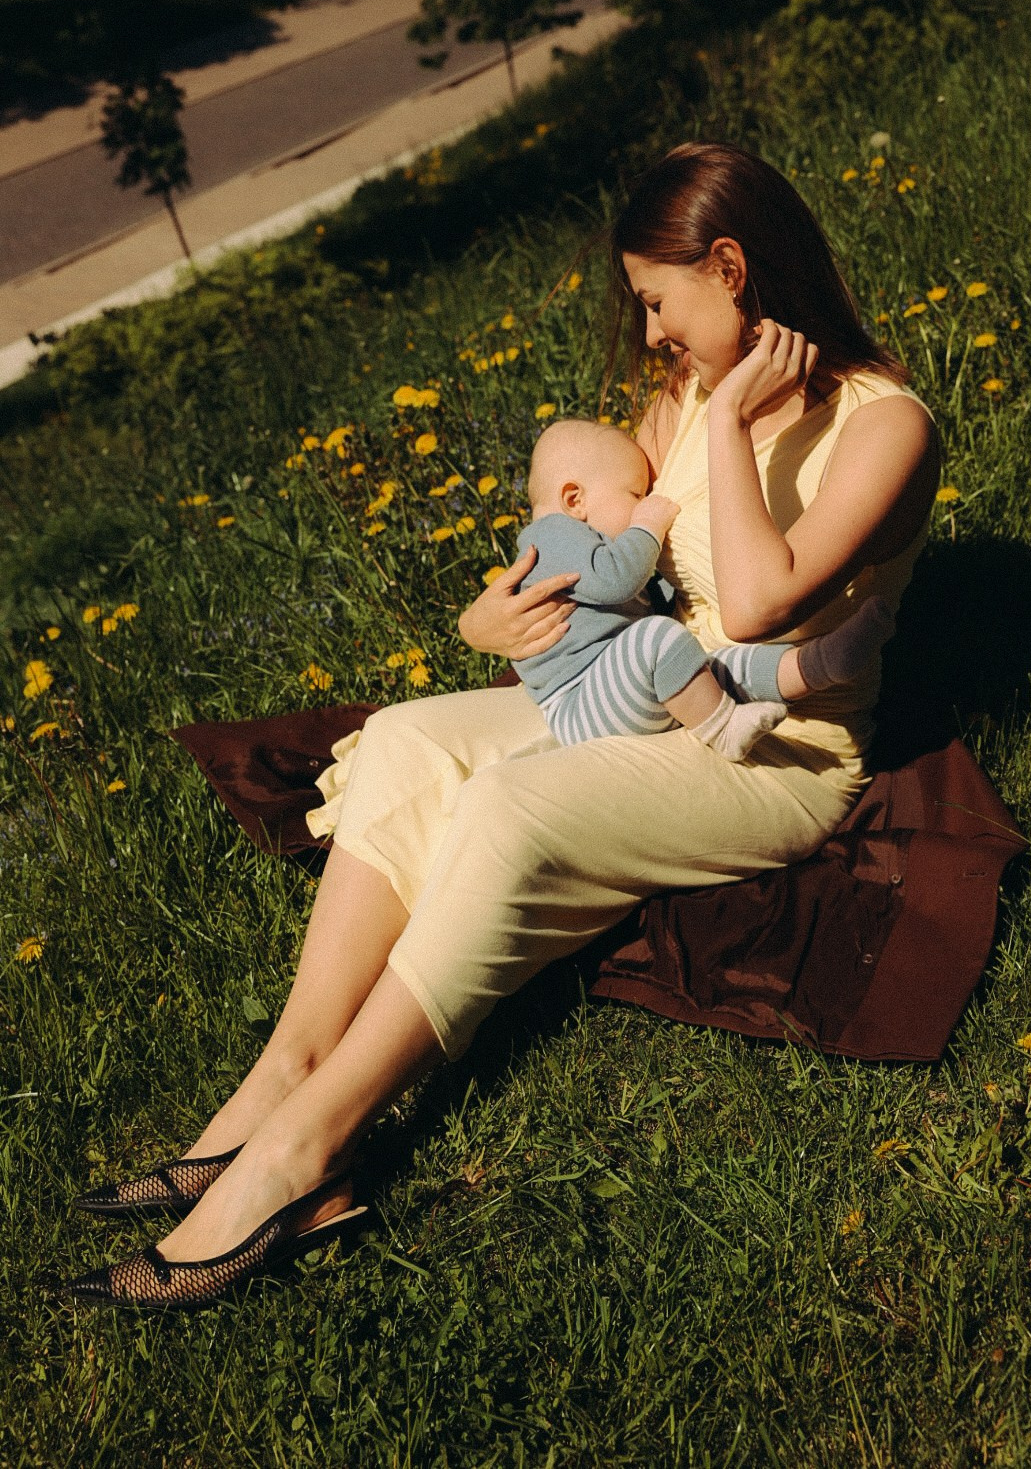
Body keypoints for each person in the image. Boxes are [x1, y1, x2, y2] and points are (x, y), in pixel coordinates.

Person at [64, 140, 939, 1309]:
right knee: (411, 738)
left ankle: (303, 1153)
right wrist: (496, 612)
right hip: (638, 695)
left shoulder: (885, 426)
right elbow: (605, 553)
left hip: (773, 754)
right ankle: (288, 1066)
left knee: (509, 807)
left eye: (659, 302)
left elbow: (767, 592)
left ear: (731, 268)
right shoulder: (679, 396)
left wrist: (729, 423)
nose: (652, 337)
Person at [513, 417, 895, 756]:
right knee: (655, 640)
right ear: (574, 500)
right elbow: (616, 581)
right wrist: (647, 526)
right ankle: (724, 729)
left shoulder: (584, 548)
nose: (644, 503)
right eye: (635, 495)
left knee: (705, 665)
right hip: (581, 705)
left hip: (618, 690)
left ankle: (820, 663)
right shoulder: (551, 537)